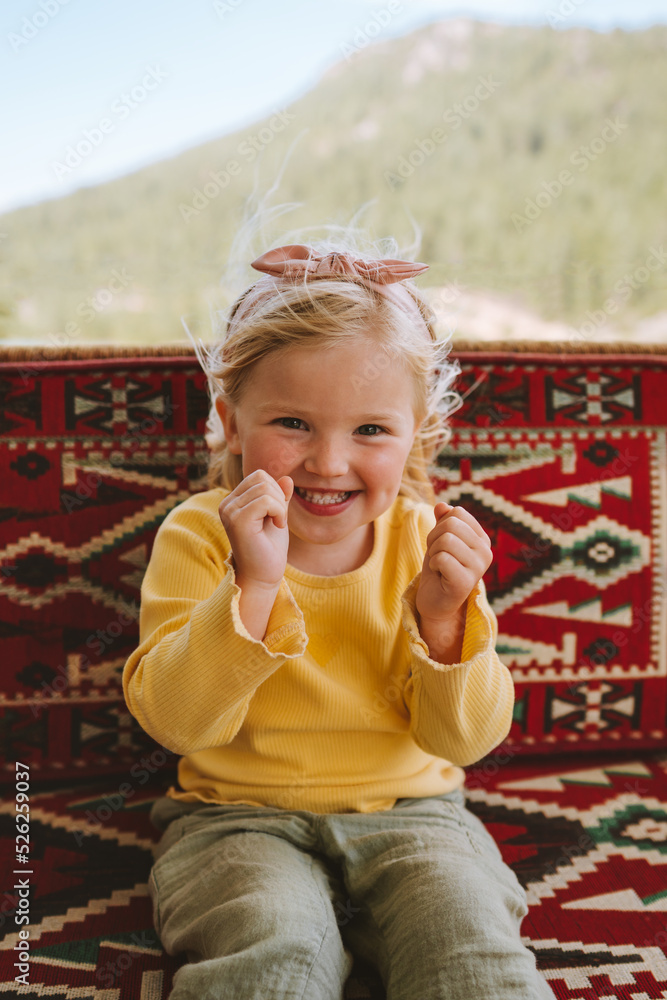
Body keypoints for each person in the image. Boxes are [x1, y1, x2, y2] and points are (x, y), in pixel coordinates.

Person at [122, 240, 553, 999]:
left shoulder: (430, 544)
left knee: (469, 947)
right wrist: (252, 587)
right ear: (229, 421)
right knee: (273, 949)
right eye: (292, 422)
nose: (326, 463)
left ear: (415, 434)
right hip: (233, 818)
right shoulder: (198, 534)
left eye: (369, 431)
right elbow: (179, 724)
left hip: (415, 813)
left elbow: (464, 741)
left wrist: (445, 622)